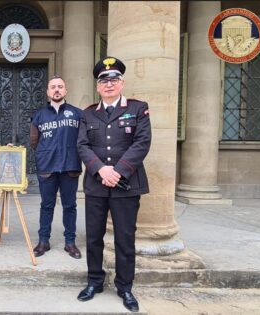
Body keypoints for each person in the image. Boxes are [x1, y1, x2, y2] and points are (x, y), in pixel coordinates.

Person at [76, 57, 151, 313]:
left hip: (126, 185)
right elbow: (82, 146)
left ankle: (124, 287)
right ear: (98, 86)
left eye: (114, 80)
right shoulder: (87, 114)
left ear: (122, 83)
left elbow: (141, 143)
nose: (109, 84)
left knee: (125, 238)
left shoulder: (138, 109)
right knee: (94, 237)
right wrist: (101, 170)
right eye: (103, 81)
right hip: (97, 185)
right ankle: (94, 281)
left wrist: (117, 172)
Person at [30, 75, 83, 259]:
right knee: (47, 205)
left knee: (70, 206)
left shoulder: (77, 114)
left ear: (65, 90)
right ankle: (43, 241)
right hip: (47, 169)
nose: (57, 90)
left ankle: (70, 242)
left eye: (60, 86)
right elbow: (34, 141)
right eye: (53, 87)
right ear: (48, 92)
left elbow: (83, 140)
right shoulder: (39, 115)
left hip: (70, 167)